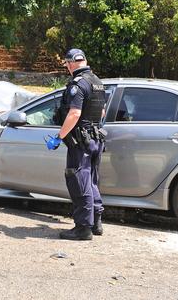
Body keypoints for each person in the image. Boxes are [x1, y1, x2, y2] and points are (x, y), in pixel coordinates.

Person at [48, 48, 106, 241]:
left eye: (66, 64)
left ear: (71, 63)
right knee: (92, 181)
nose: (67, 68)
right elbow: (102, 113)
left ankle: (83, 228)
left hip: (81, 142)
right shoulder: (97, 82)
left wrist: (59, 136)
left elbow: (74, 114)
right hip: (96, 139)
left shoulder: (78, 84)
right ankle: (96, 222)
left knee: (79, 182)